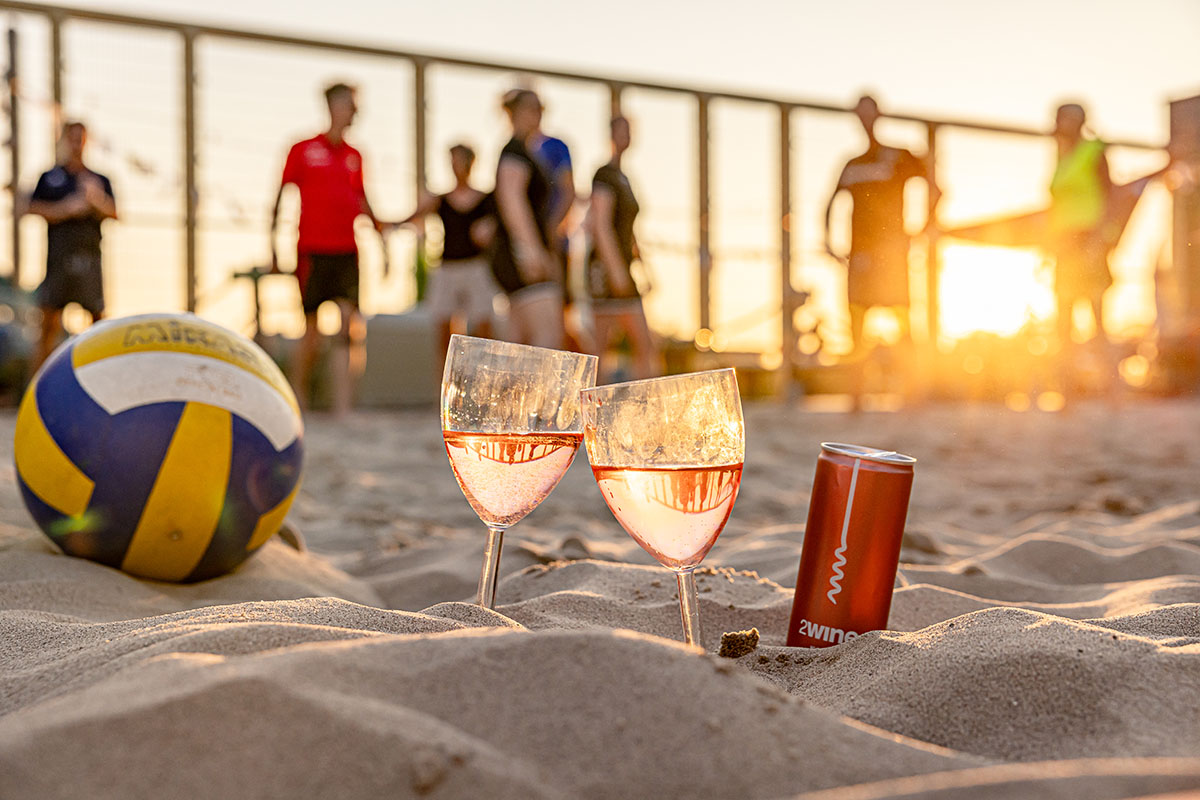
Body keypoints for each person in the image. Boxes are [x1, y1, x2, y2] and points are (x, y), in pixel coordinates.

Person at [270, 82, 386, 417]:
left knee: (350, 325)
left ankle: (344, 406)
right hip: (311, 249)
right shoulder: (302, 149)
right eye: (349, 104)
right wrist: (274, 246)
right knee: (311, 331)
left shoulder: (355, 156)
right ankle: (297, 398)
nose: (354, 111)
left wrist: (380, 236)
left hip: (347, 249)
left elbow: (361, 200)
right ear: (333, 106)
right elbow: (280, 197)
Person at [824, 95, 935, 355]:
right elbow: (828, 204)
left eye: (870, 112)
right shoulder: (852, 164)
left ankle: (912, 391)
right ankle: (857, 394)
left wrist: (922, 229)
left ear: (879, 114)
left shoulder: (898, 156)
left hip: (893, 254)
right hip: (860, 254)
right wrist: (828, 243)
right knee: (857, 326)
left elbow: (936, 188)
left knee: (903, 321)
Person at [399, 144, 498, 371]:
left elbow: (500, 226)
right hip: (447, 268)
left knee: (484, 326)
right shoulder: (440, 199)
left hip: (476, 267)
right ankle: (446, 384)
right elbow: (414, 217)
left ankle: (483, 376)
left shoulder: (486, 199)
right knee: (443, 329)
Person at [27, 121, 116, 372]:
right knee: (48, 323)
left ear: (87, 141)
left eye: (81, 138)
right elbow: (32, 207)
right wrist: (65, 208)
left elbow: (115, 213)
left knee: (98, 323)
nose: (77, 143)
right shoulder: (51, 177)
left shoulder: (99, 179)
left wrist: (95, 200)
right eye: (72, 138)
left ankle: (101, 378)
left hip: (90, 258)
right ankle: (36, 387)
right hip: (58, 259)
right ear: (65, 140)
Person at [586, 115, 660, 381]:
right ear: (611, 134)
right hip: (605, 268)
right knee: (602, 346)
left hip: (624, 266)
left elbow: (628, 231)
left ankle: (640, 403)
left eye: (629, 131)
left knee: (641, 344)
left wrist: (643, 269)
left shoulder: (624, 178)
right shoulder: (604, 175)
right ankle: (591, 408)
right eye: (620, 131)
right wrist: (616, 271)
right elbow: (600, 225)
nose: (625, 136)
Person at [491, 89, 562, 348]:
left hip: (519, 254)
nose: (538, 114)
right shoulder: (515, 152)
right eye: (532, 108)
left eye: (541, 107)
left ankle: (511, 391)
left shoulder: (526, 152)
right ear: (514, 112)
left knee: (518, 345)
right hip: (519, 257)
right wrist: (531, 252)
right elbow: (511, 200)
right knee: (547, 339)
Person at [1049, 102, 1113, 366]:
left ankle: (1114, 396)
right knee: (1063, 320)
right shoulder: (1061, 158)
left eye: (1065, 118)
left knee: (1097, 318)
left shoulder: (1093, 151)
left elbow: (1111, 198)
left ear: (1079, 121)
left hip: (1089, 240)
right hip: (1064, 244)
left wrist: (1101, 240)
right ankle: (1065, 398)